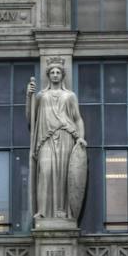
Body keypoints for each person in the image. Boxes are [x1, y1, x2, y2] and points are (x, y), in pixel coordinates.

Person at [26, 63, 88, 224]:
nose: (54, 74)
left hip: (66, 135)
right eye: (52, 72)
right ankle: (43, 212)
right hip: (45, 139)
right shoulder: (40, 96)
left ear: (62, 75)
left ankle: (63, 212)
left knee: (63, 175)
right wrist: (29, 97)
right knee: (45, 173)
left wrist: (81, 137)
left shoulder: (70, 96)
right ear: (48, 75)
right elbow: (31, 120)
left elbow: (77, 118)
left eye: (58, 72)